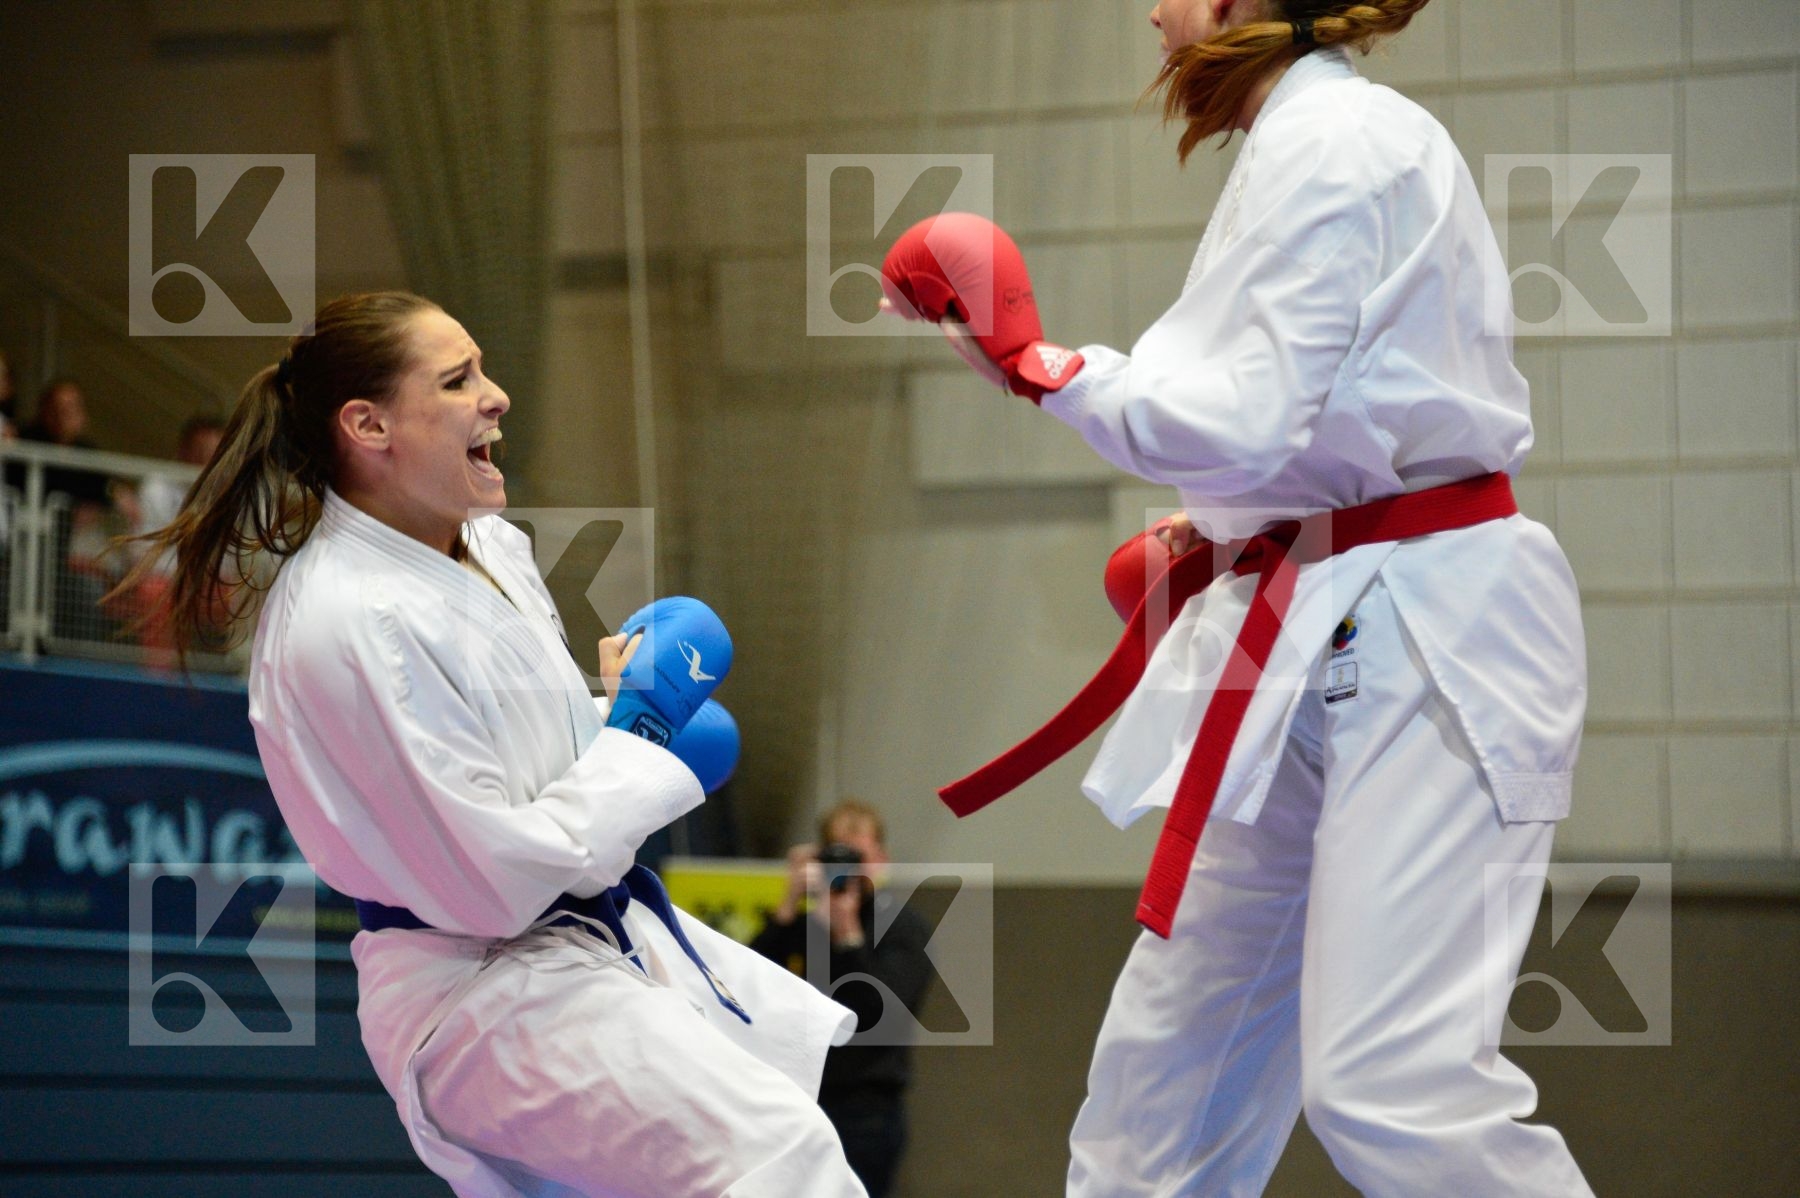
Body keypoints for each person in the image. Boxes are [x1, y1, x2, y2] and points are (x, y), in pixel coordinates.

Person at [880, 1, 1593, 1195]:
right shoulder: (1297, 143)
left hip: (1429, 622)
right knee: (1163, 1081)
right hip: (1322, 603)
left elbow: (1243, 414)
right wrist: (1224, 528)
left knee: (1391, 1086)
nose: (1149, 10)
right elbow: (1303, 421)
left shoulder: (1342, 139)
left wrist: (1040, 365)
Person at [119, 291, 869, 1197]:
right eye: (458, 378)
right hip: (479, 987)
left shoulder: (489, 546)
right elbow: (484, 878)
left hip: (560, 953)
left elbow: (517, 772)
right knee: (778, 1155)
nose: (497, 395)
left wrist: (609, 709)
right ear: (370, 424)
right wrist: (642, 740)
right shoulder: (345, 618)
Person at [751, 800, 935, 1198]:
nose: (849, 871)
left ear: (881, 862)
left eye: (859, 857)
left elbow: (880, 1012)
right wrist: (789, 901)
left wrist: (847, 934)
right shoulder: (806, 925)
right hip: (799, 1102)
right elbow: (747, 983)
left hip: (866, 1109)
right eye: (838, 856)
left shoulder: (904, 928)